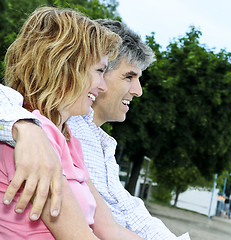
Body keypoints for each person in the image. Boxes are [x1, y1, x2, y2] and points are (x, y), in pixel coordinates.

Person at [0, 17, 190, 240]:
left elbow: (111, 229)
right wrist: (25, 128)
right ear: (68, 69)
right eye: (100, 71)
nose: (102, 86)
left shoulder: (69, 142)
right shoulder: (35, 137)